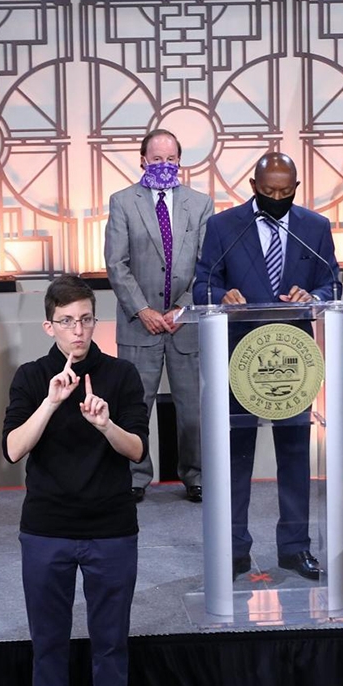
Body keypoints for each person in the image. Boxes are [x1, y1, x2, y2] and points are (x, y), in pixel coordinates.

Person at [193, 152, 339, 580]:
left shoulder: (316, 227)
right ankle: (234, 547)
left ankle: (294, 547)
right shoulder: (224, 227)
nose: (278, 197)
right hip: (239, 354)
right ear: (254, 186)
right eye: (270, 190)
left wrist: (314, 297)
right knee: (236, 456)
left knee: (294, 455)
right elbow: (203, 281)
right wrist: (221, 296)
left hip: (294, 359)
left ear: (296, 187)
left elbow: (332, 281)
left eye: (286, 191)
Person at [2, 275, 148, 686]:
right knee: (48, 647)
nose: (78, 331)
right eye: (66, 322)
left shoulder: (121, 374)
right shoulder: (31, 378)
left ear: (95, 321)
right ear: (49, 326)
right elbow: (13, 449)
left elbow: (137, 450)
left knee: (111, 646)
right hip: (47, 529)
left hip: (111, 529)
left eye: (85, 320)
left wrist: (105, 425)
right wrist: (50, 403)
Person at [105, 128, 212, 503]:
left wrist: (181, 308)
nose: (164, 165)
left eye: (171, 159)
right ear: (142, 161)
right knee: (135, 406)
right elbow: (116, 264)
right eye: (157, 159)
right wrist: (144, 309)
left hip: (186, 323)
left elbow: (205, 263)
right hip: (139, 324)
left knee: (194, 411)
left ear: (179, 162)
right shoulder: (122, 202)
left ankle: (196, 476)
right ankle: (136, 478)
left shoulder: (200, 204)